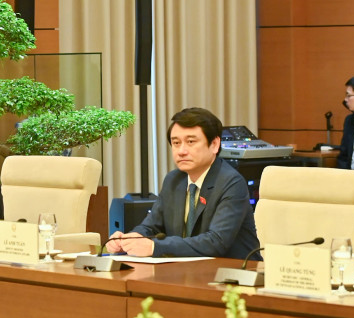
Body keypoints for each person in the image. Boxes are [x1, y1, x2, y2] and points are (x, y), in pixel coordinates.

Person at [106, 107, 261, 259]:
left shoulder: (231, 182)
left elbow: (216, 242)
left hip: (233, 271)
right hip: (186, 269)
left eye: (191, 142)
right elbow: (151, 226)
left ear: (214, 144)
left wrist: (154, 247)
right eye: (176, 143)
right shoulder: (173, 180)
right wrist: (132, 239)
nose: (181, 151)